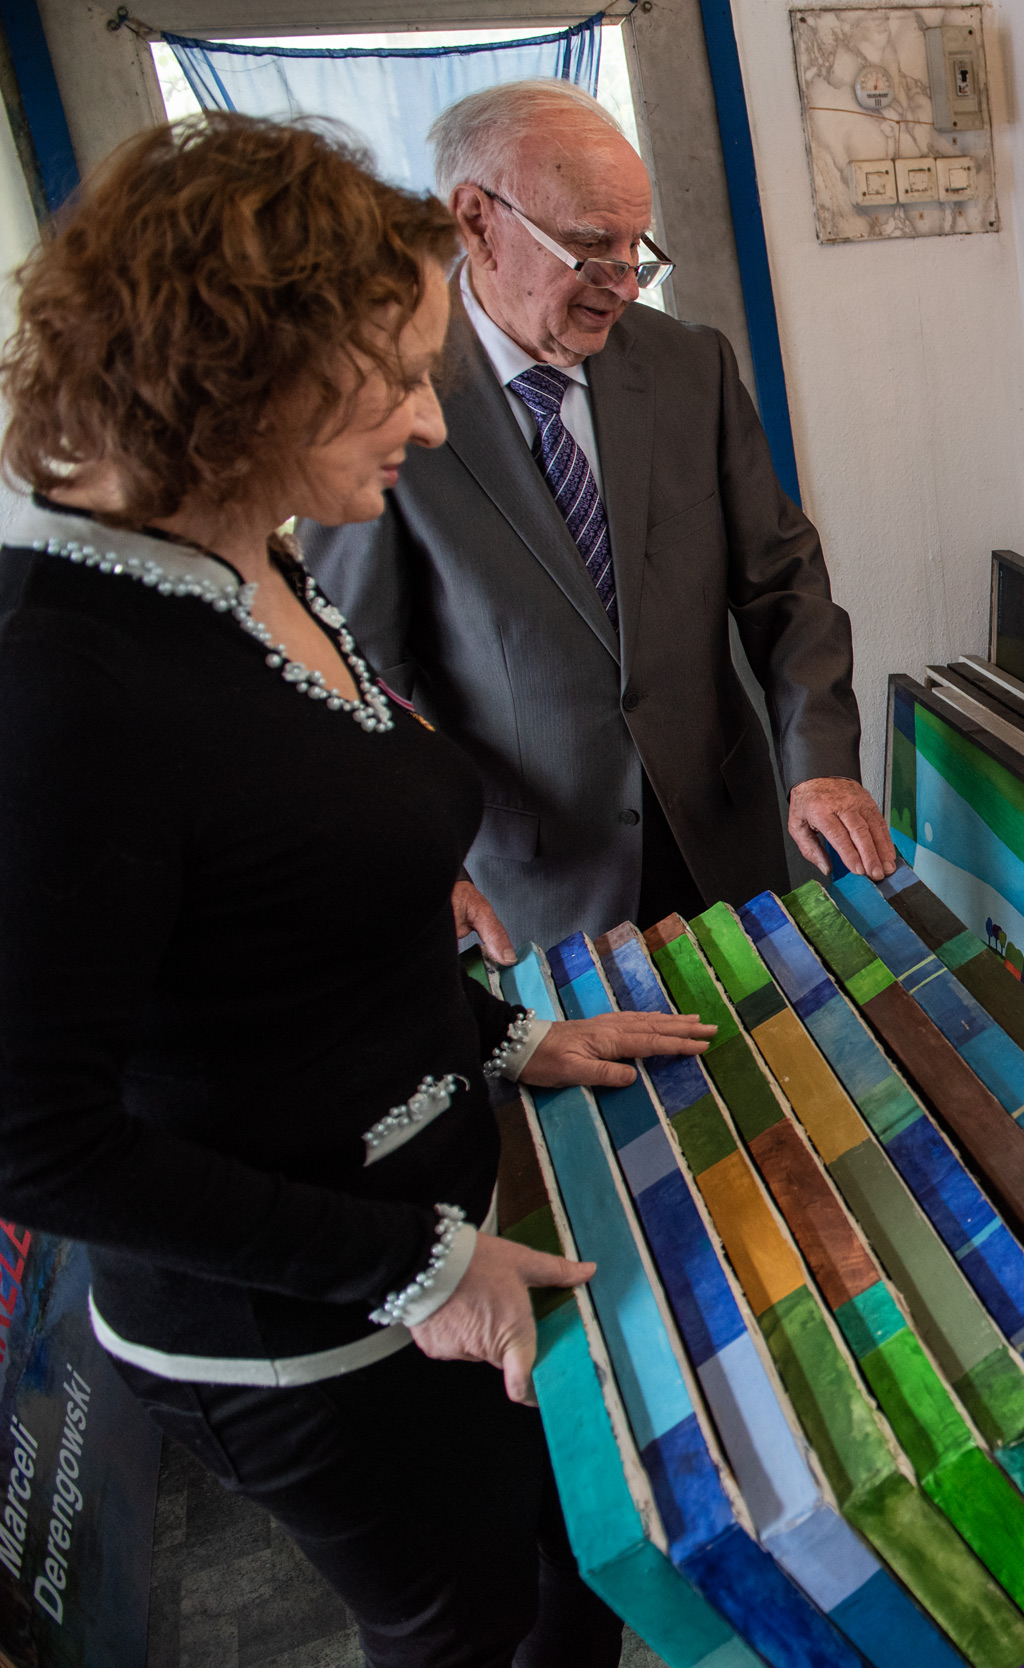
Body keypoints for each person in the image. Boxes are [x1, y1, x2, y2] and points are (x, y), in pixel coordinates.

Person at [0, 114, 715, 1664]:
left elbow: (296, 938)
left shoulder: (241, 546)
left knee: (577, 1581)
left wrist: (506, 1038)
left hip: (431, 1236)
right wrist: (413, 1268)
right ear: (244, 373)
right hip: (303, 1331)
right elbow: (31, 1138)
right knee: (470, 1628)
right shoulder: (58, 678)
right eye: (394, 378)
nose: (433, 421)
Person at [301, 78, 896, 963]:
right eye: (588, 248)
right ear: (476, 221)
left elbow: (782, 581)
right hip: (532, 878)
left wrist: (821, 761)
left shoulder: (690, 366)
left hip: (721, 838)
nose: (621, 284)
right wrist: (420, 853)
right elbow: (358, 667)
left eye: (635, 248)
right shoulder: (384, 399)